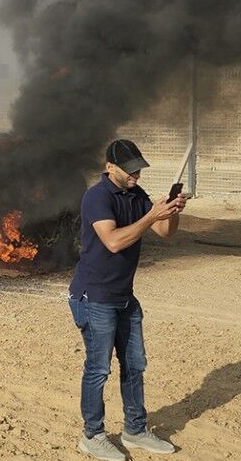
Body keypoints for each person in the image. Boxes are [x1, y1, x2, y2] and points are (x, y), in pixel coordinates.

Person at [68, 139, 186, 460]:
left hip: (124, 297)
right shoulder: (97, 197)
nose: (137, 173)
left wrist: (171, 211)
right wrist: (151, 217)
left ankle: (135, 429)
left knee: (135, 365)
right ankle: (92, 435)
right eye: (130, 169)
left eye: (139, 168)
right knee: (98, 369)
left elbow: (165, 232)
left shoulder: (137, 195)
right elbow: (114, 241)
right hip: (94, 297)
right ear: (110, 168)